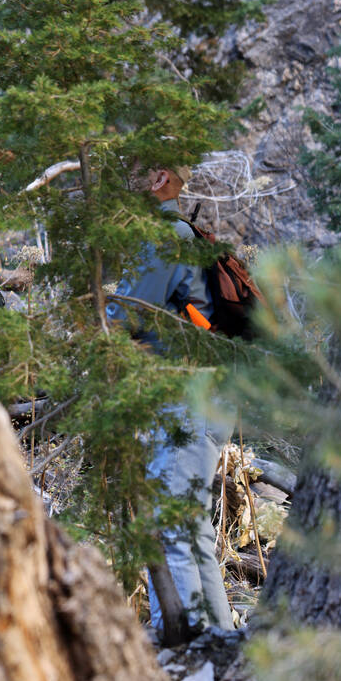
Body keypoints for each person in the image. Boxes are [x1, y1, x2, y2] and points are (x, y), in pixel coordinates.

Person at [107, 165, 235, 633]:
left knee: (171, 530)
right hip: (207, 394)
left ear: (160, 178)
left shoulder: (163, 237)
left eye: (137, 172)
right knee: (190, 527)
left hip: (186, 396)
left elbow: (123, 316)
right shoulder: (185, 232)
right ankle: (217, 645)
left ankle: (184, 651)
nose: (127, 183)